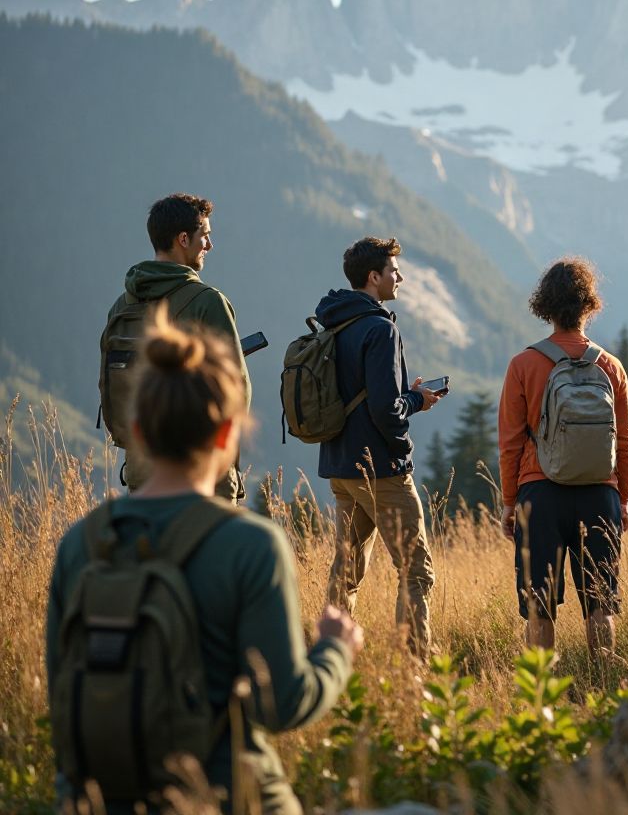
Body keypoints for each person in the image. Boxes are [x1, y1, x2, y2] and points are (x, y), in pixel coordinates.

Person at [48, 305, 363, 814]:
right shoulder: (250, 545)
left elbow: (61, 697)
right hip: (227, 798)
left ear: (139, 432)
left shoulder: (80, 544)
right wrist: (334, 652)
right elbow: (281, 704)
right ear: (226, 435)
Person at [498, 258, 628, 657]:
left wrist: (510, 502)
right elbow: (624, 441)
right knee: (600, 603)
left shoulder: (523, 365)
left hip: (539, 494)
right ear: (588, 306)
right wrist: (622, 497)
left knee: (539, 609)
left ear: (545, 306)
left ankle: (541, 697)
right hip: (599, 493)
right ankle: (603, 684)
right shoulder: (611, 367)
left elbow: (509, 443)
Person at [317, 236, 440, 658]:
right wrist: (415, 406)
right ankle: (415, 670)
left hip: (339, 466)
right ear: (374, 277)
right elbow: (387, 409)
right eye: (393, 271)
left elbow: (362, 395)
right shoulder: (380, 328)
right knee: (416, 573)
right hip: (381, 471)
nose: (399, 277)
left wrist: (407, 397)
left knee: (346, 571)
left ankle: (330, 659)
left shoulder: (334, 322)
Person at [103, 193, 250, 501]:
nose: (210, 246)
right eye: (205, 236)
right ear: (184, 239)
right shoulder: (207, 301)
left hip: (141, 468)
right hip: (202, 469)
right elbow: (237, 390)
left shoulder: (122, 304)